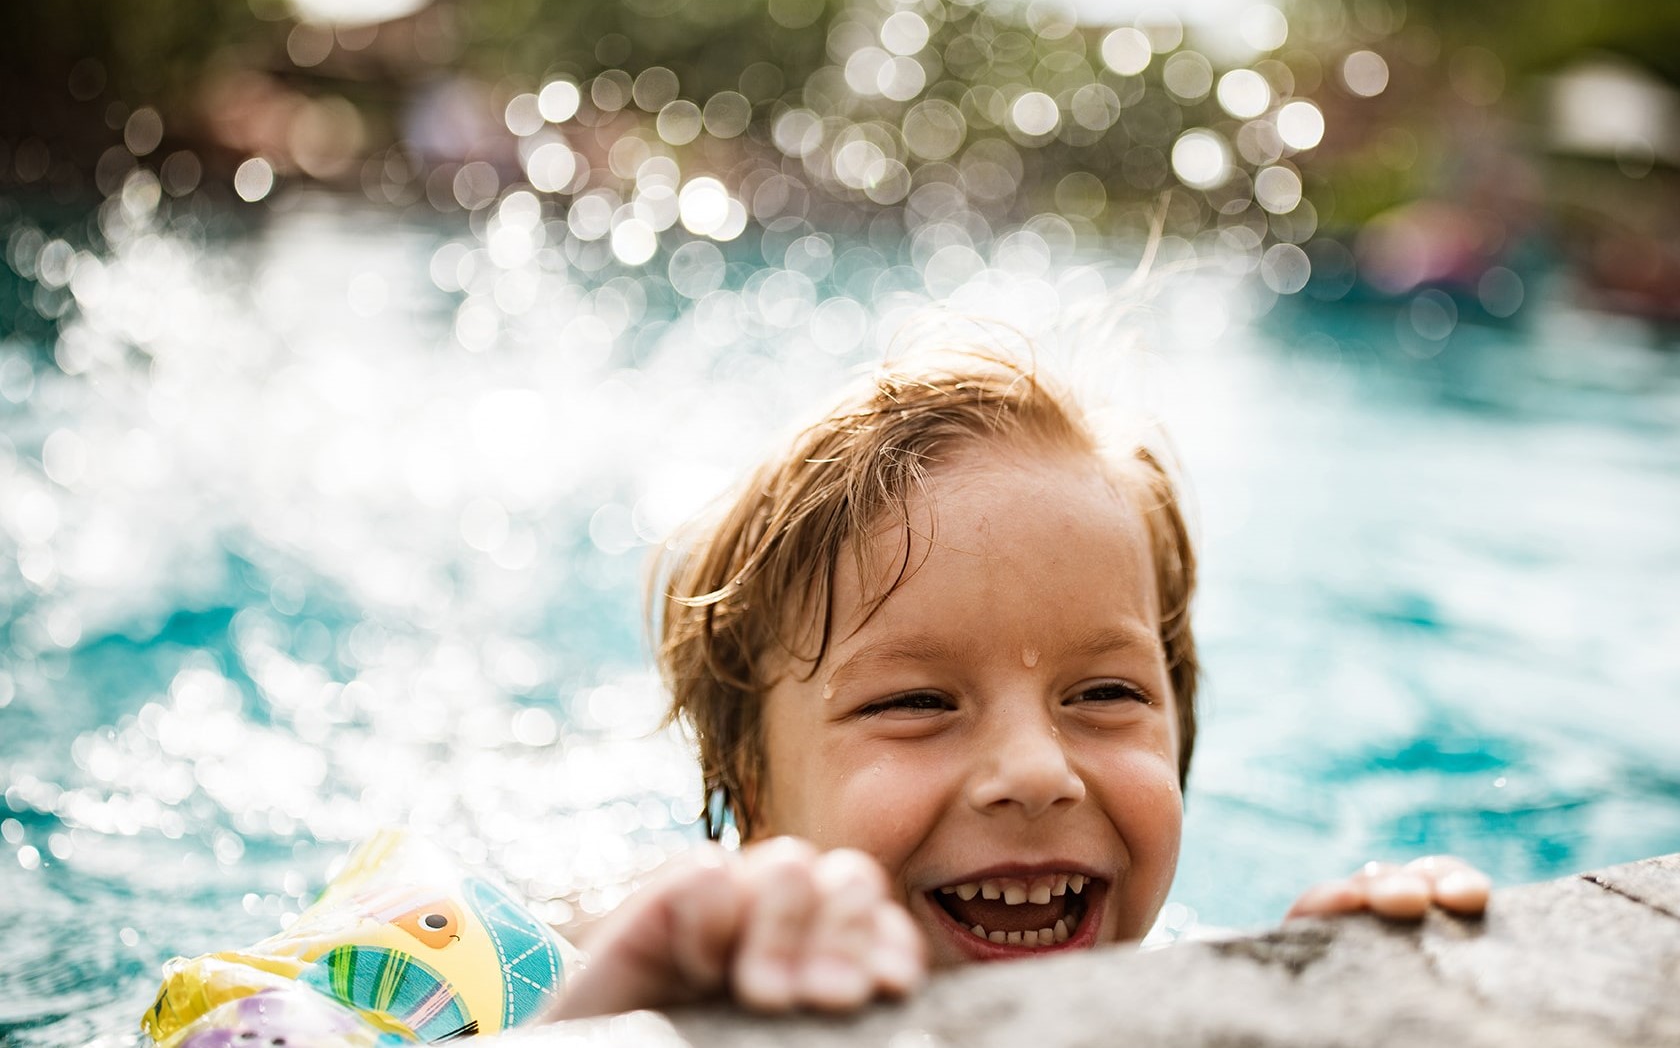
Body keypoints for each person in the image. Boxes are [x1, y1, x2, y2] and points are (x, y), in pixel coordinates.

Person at [541, 340, 1489, 1021]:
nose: (1038, 773)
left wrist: (1327, 997)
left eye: (1106, 695)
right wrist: (617, 1019)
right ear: (753, 793)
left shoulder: (1180, 991)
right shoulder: (633, 974)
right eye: (914, 702)